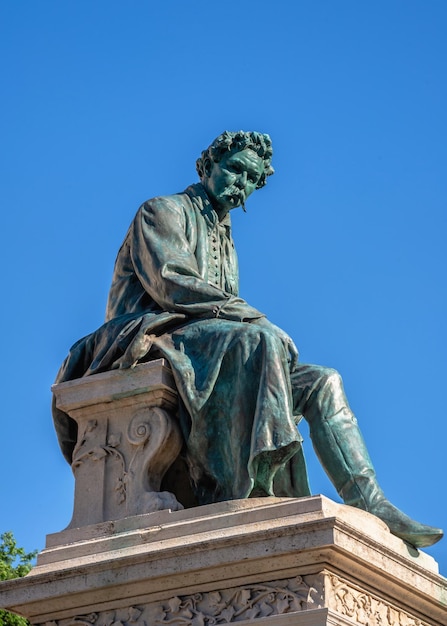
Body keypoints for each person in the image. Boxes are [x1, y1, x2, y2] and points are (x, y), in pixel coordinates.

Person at [53, 130, 443, 548]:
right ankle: (256, 481)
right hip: (149, 332)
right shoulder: (163, 210)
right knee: (259, 340)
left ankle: (371, 502)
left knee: (322, 380)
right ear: (208, 166)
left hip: (206, 336)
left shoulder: (224, 235)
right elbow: (172, 282)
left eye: (250, 179)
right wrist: (250, 316)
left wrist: (247, 322)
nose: (240, 182)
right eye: (234, 169)